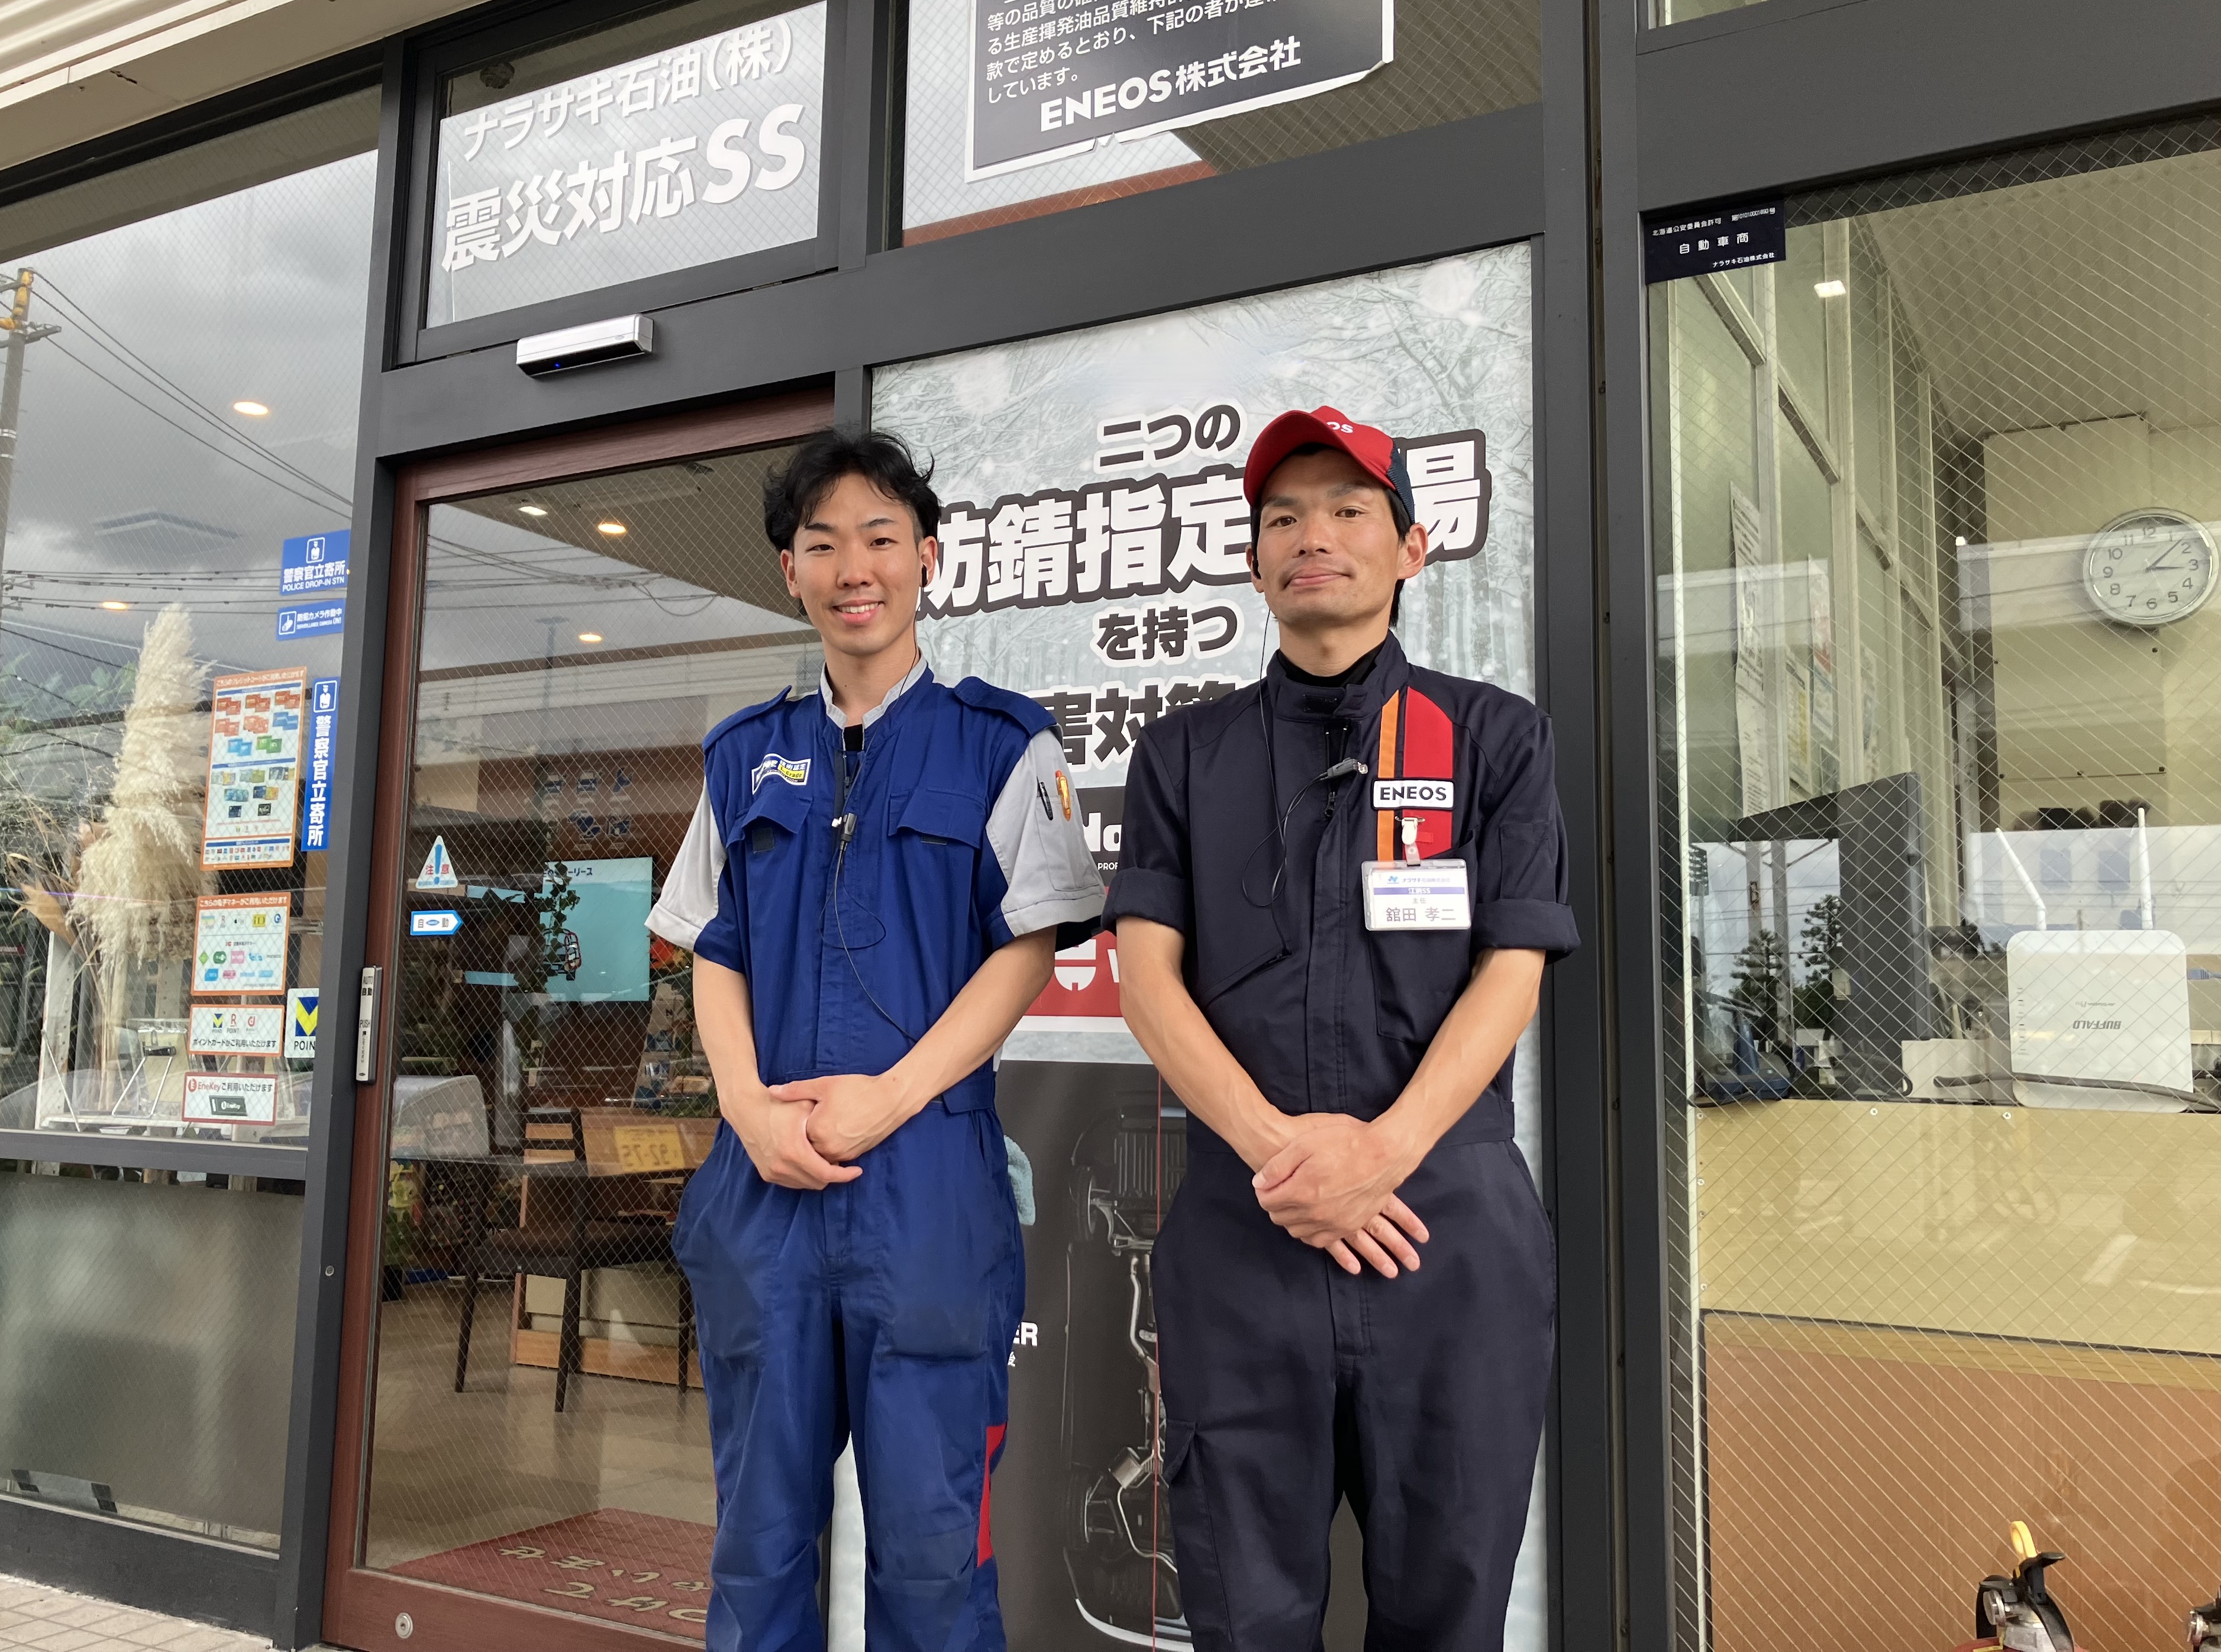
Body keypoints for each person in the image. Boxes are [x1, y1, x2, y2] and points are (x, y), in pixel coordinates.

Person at [1105, 406, 1578, 1651]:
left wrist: (1383, 1153)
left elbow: (1514, 968)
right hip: (1245, 1228)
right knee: (1243, 1610)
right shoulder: (1183, 754)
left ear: (1412, 548)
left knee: (1449, 1609)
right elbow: (1147, 978)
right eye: (1283, 518)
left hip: (1445, 1226)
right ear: (1254, 560)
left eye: (1349, 510)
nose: (1312, 536)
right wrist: (1288, 1157)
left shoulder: (1494, 737)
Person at [646, 429, 1104, 1652]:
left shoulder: (1002, 743)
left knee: (933, 1559)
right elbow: (712, 947)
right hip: (767, 1194)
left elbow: (1027, 949)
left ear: (928, 559)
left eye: (882, 539)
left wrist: (889, 1098)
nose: (856, 568)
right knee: (757, 1553)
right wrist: (744, 1108)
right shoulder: (743, 757)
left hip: (926, 1196)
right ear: (789, 571)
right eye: (824, 544)